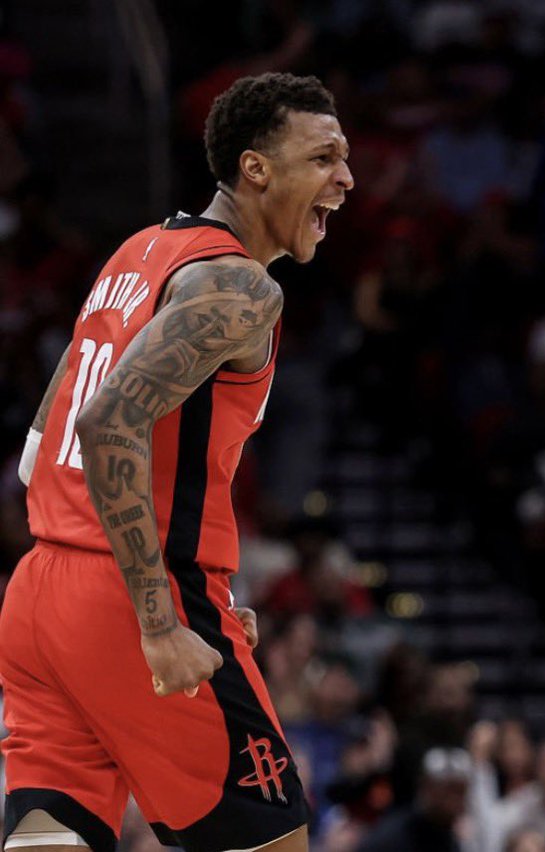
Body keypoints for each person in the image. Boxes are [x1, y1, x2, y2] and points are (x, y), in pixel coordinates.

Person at [0, 72, 353, 852]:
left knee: (50, 837)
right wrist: (164, 615)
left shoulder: (139, 252)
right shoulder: (239, 286)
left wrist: (206, 590)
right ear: (256, 168)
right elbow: (106, 425)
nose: (346, 178)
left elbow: (39, 445)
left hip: (38, 595)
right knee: (274, 842)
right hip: (131, 601)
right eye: (324, 158)